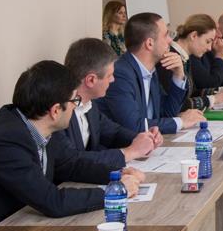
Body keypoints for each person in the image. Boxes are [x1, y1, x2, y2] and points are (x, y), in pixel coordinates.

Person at [0, 60, 144, 229]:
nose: (76, 106)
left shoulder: (36, 125)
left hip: (20, 224)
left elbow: (71, 164)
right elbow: (53, 201)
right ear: (55, 110)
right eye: (75, 100)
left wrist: (116, 174)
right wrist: (115, 193)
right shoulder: (6, 141)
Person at [53, 38, 161, 170]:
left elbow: (113, 133)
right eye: (109, 75)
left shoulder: (90, 105)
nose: (113, 80)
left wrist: (142, 138)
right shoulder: (59, 111)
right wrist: (129, 152)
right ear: (91, 80)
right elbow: (72, 161)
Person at [101, 12, 205, 134]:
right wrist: (181, 122)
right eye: (166, 35)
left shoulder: (150, 71)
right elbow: (134, 126)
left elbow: (166, 113)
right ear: (149, 43)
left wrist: (178, 76)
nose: (170, 40)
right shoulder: (120, 73)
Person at [172, 14, 223, 108]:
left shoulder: (185, 57)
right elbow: (176, 104)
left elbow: (192, 93)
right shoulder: (172, 58)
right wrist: (214, 99)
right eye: (208, 41)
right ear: (194, 36)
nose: (209, 48)